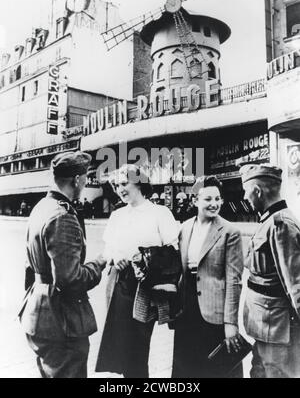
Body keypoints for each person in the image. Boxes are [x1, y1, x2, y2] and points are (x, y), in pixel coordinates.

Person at [18, 151, 105, 378]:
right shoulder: (63, 216)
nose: (86, 183)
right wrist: (99, 264)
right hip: (61, 321)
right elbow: (69, 279)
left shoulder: (41, 207)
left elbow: (30, 267)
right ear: (77, 179)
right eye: (85, 177)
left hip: (39, 315)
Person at [95, 164, 179, 378]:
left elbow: (173, 248)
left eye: (124, 183)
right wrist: (116, 257)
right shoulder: (117, 215)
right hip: (120, 283)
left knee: (139, 345)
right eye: (116, 185)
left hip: (145, 285)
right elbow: (108, 249)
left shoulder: (160, 213)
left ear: (139, 182)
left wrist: (145, 258)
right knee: (121, 345)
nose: (119, 189)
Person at [172, 175, 244, 378]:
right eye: (208, 199)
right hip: (187, 310)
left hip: (214, 312)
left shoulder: (230, 231)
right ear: (195, 200)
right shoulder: (184, 228)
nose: (214, 204)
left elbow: (234, 281)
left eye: (217, 199)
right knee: (187, 368)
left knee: (217, 369)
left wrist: (231, 324)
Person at [240, 163, 300, 378]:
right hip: (266, 324)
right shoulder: (268, 221)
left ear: (257, 191)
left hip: (277, 327)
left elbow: (295, 283)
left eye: (247, 193)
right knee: (259, 372)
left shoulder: (280, 224)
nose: (246, 199)